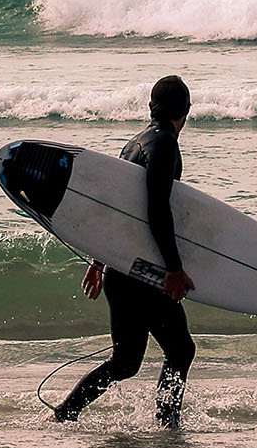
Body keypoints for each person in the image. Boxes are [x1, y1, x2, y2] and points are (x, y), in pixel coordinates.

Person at [53, 74, 196, 427]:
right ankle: (167, 425)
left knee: (126, 362)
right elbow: (156, 210)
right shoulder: (165, 146)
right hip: (141, 272)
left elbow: (116, 211)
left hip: (121, 268)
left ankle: (64, 415)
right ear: (186, 111)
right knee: (181, 350)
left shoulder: (134, 144)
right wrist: (174, 269)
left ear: (152, 107)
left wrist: (100, 259)